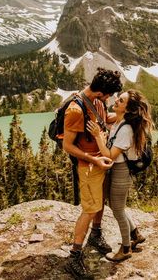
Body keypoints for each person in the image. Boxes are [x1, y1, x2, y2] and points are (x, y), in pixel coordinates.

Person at [63, 68, 123, 279]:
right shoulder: (75, 110)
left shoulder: (98, 102)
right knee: (89, 208)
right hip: (88, 166)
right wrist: (93, 159)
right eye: (109, 96)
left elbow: (105, 119)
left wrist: (127, 115)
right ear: (101, 93)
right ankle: (74, 255)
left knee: (100, 202)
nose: (109, 99)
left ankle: (95, 235)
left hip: (101, 161)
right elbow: (68, 146)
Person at [87, 89, 152, 262]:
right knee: (118, 207)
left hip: (121, 170)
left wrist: (97, 137)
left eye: (121, 101)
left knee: (117, 210)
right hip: (117, 170)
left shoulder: (126, 130)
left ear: (128, 109)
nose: (116, 100)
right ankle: (135, 235)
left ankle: (125, 249)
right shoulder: (119, 121)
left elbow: (109, 156)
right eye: (118, 97)